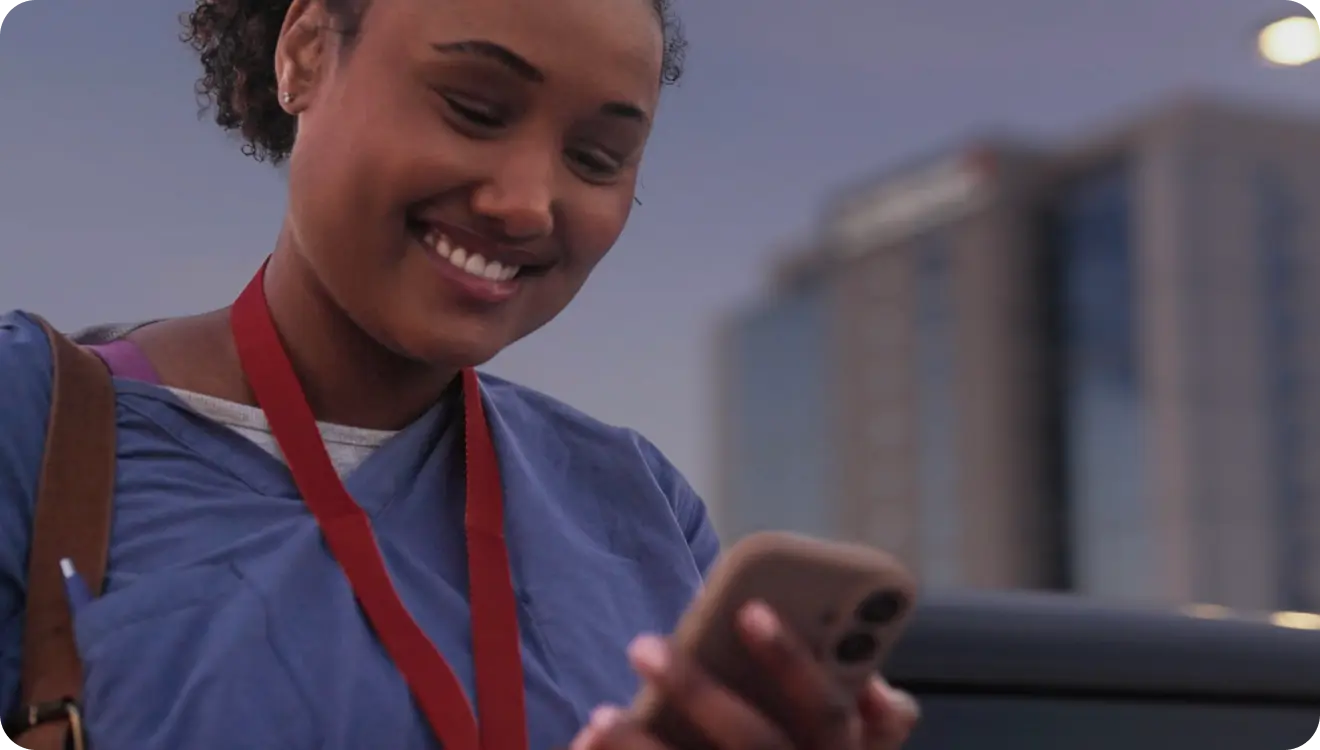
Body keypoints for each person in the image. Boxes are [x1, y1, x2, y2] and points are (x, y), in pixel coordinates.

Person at [0, 0, 921, 747]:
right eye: (474, 108)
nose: (525, 202)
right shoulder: (33, 429)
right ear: (307, 51)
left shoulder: (637, 505)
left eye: (596, 158)